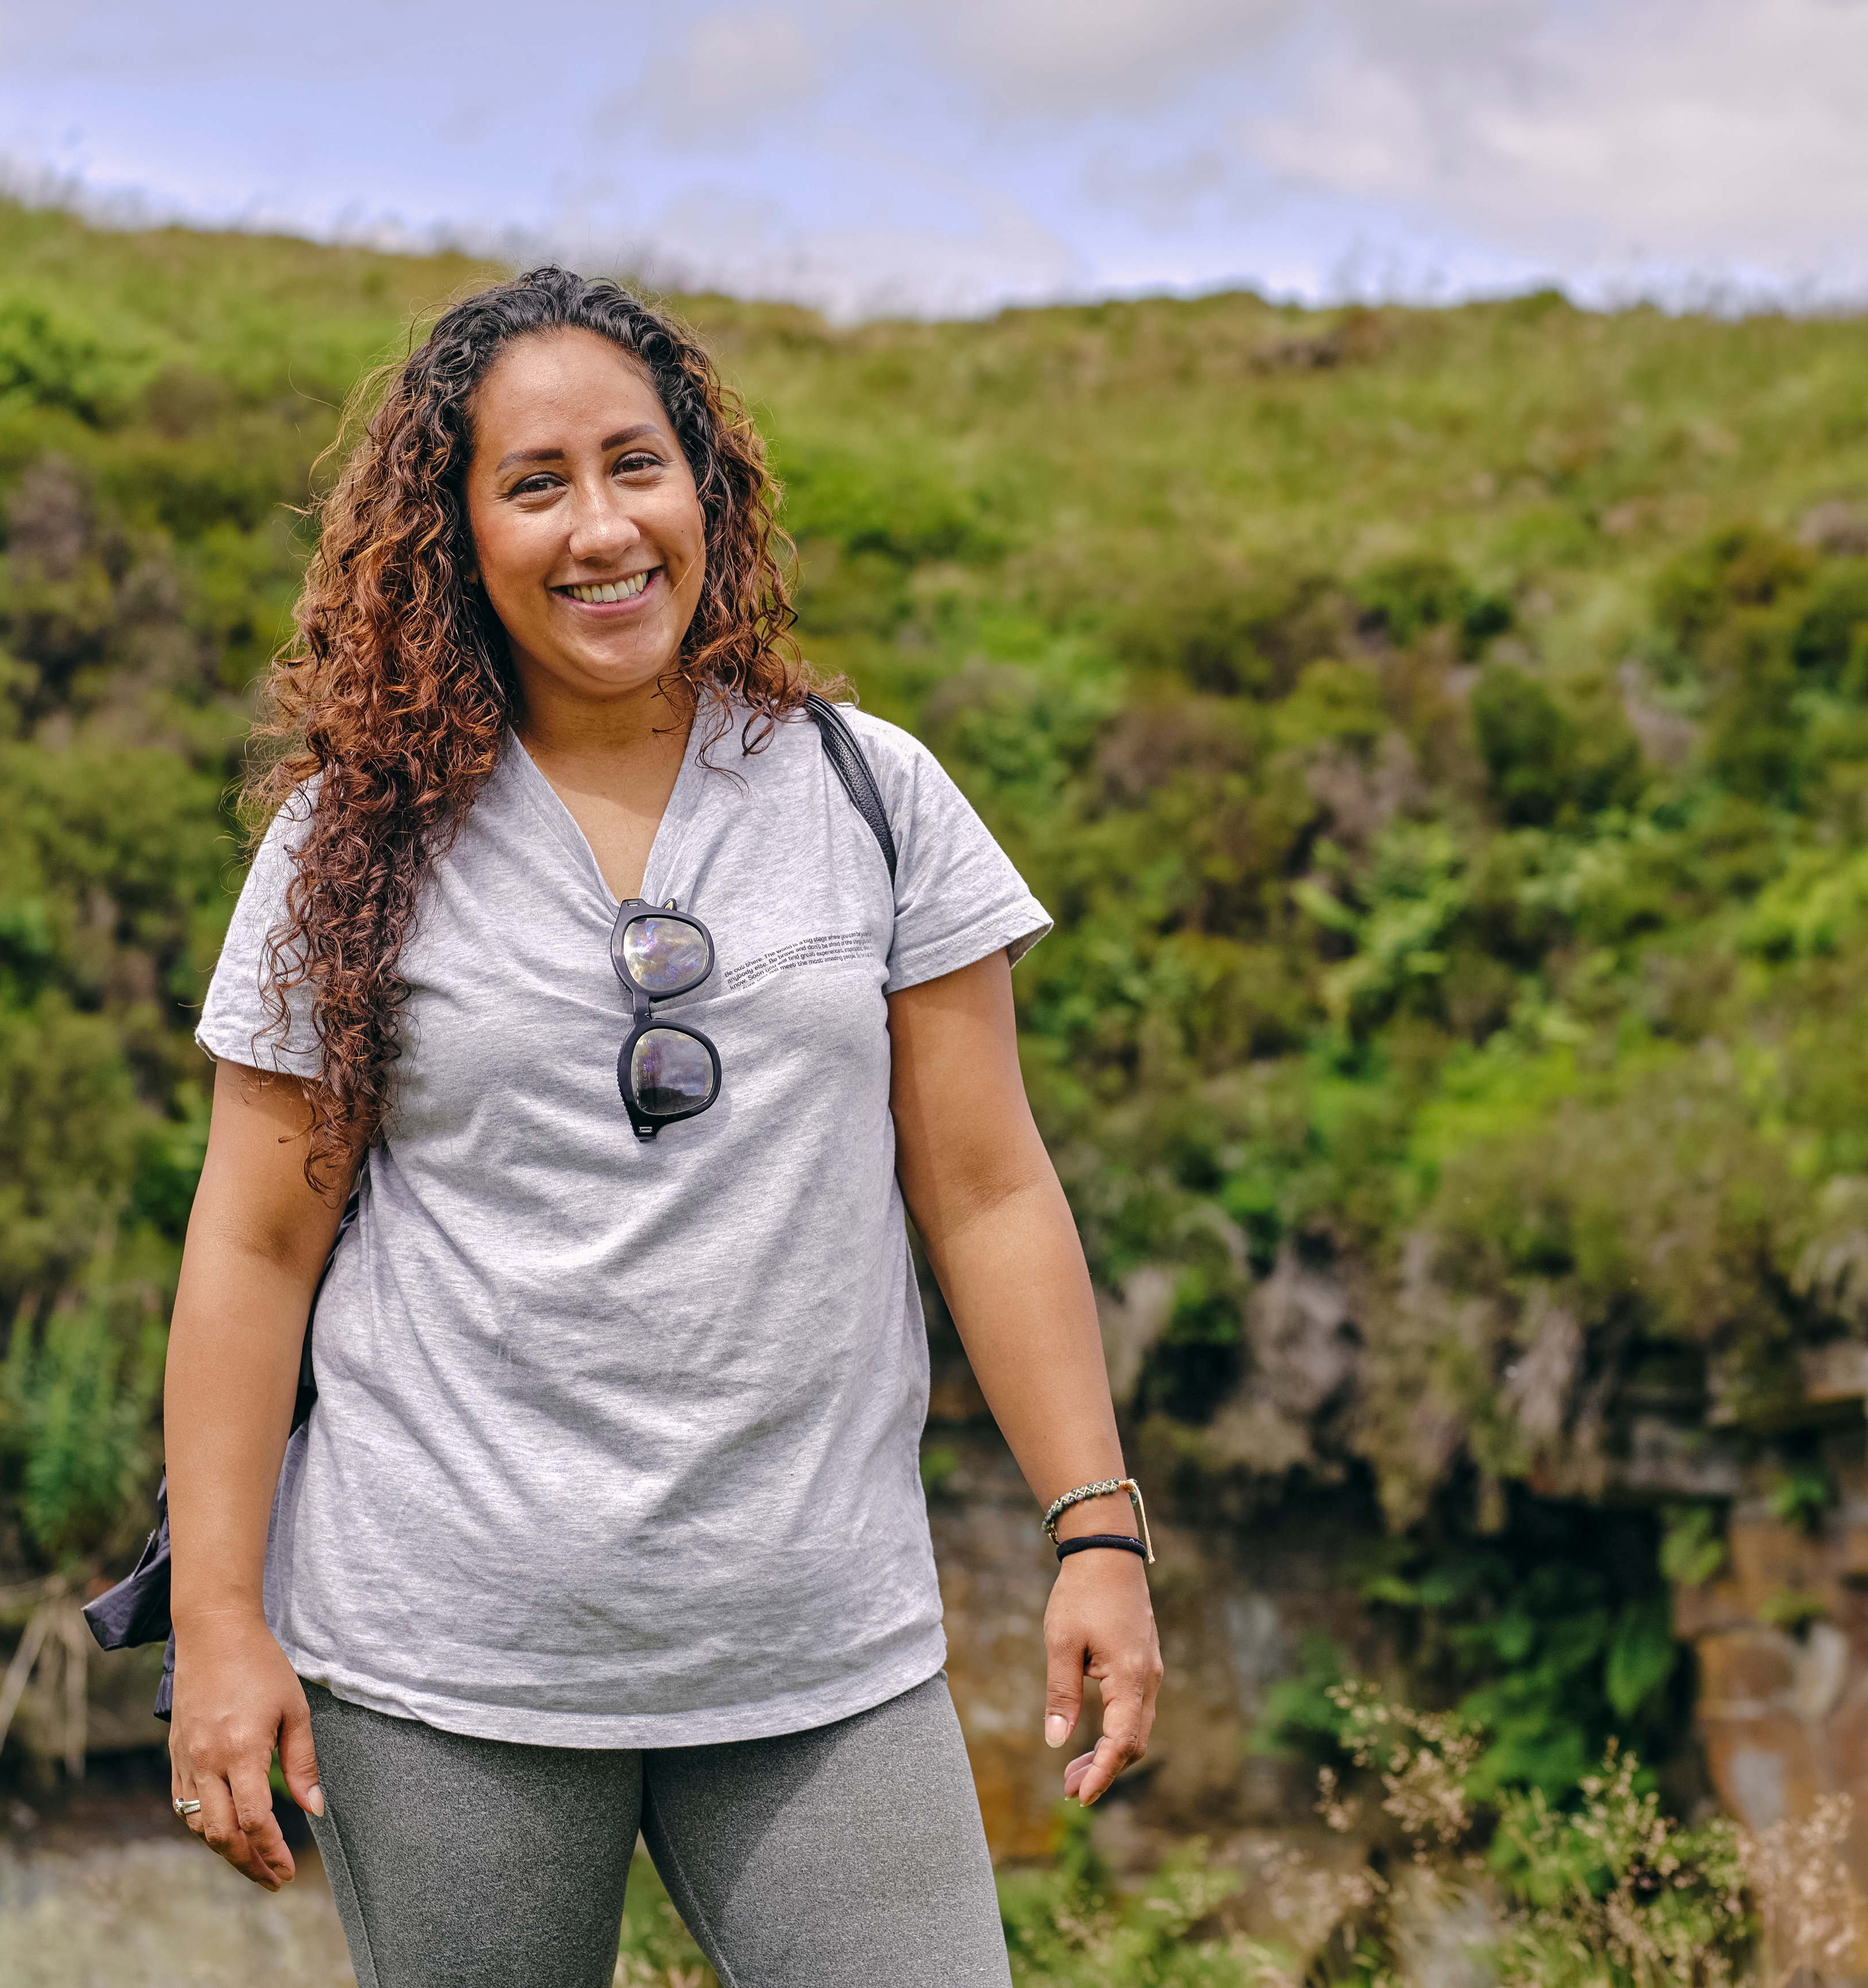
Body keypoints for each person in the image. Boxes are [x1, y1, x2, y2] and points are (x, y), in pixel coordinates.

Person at [160, 269, 1160, 1986]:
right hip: (445, 1659)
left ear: (707, 483)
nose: (600, 527)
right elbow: (255, 1249)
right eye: (533, 483)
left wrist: (1098, 1529)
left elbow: (989, 1194)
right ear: (454, 535)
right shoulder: (350, 842)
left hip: (817, 1650)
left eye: (637, 464)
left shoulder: (869, 792)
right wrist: (219, 1621)